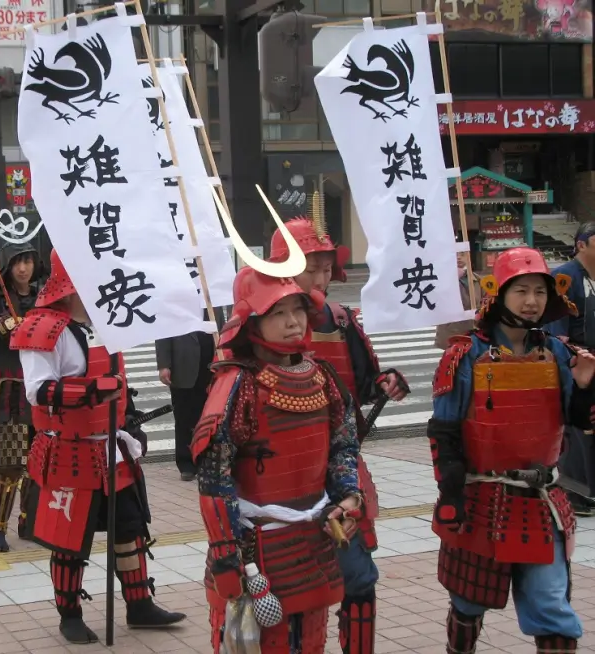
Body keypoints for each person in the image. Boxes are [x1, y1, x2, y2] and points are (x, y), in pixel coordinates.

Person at [13, 249, 185, 644]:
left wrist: (126, 409)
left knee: (130, 528)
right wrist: (92, 391)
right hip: (68, 450)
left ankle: (140, 603)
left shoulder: (105, 323)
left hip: (112, 445)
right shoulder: (40, 328)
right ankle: (69, 612)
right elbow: (39, 392)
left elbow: (117, 379)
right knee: (69, 540)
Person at [430, 246, 593, 654]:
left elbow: (576, 419)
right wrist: (450, 491)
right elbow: (445, 429)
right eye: (521, 290)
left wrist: (587, 386)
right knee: (468, 601)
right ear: (499, 295)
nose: (532, 301)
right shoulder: (464, 356)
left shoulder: (558, 352)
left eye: (539, 291)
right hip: (482, 495)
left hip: (541, 498)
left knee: (551, 606)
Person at [192, 265, 361, 653]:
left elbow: (343, 446)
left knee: (311, 641)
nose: (292, 323)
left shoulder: (323, 376)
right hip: (256, 550)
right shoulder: (238, 383)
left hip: (314, 538)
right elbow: (214, 478)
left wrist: (349, 497)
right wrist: (225, 554)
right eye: (277, 314)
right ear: (252, 323)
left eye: (298, 311)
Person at [270, 218, 407, 654]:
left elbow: (364, 381)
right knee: (289, 591)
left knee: (358, 577)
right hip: (282, 479)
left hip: (341, 470)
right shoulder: (256, 327)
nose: (322, 279)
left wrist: (386, 381)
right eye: (312, 267)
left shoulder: (341, 320)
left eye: (327, 269)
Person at [0, 241, 44, 551]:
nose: (23, 268)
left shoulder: (45, 297)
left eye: (28, 261)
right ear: (7, 266)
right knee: (12, 465)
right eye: (17, 262)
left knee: (39, 464)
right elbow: (7, 333)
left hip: (42, 392)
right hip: (12, 394)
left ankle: (30, 523)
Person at [547, 221, 595, 516]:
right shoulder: (565, 275)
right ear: (582, 244)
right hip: (577, 361)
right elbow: (556, 330)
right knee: (579, 430)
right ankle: (577, 493)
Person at [155, 312, 223, 482]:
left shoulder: (211, 297)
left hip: (212, 365)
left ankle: (207, 459)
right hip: (182, 364)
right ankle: (186, 463)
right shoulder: (174, 299)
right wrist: (164, 365)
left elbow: (223, 329)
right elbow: (162, 332)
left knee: (210, 417)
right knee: (184, 416)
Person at [434, 248, 481, 350]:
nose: (459, 257)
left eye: (462, 254)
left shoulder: (478, 280)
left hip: (474, 331)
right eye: (455, 254)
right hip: (452, 332)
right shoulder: (440, 279)